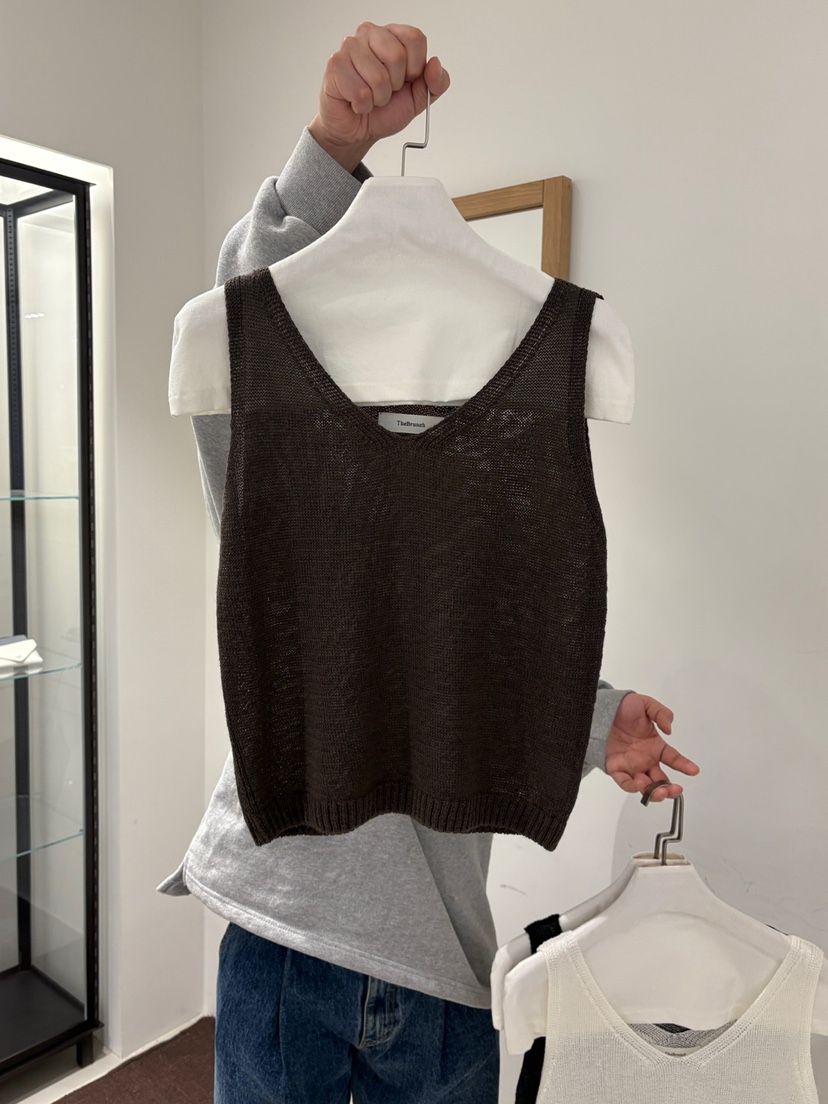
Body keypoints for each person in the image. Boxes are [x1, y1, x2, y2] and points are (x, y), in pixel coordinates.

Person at [167, 21, 701, 1103]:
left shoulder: (526, 437)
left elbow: (475, 651)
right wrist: (329, 152)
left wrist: (597, 722)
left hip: (448, 952)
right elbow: (248, 304)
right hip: (292, 923)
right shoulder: (273, 433)